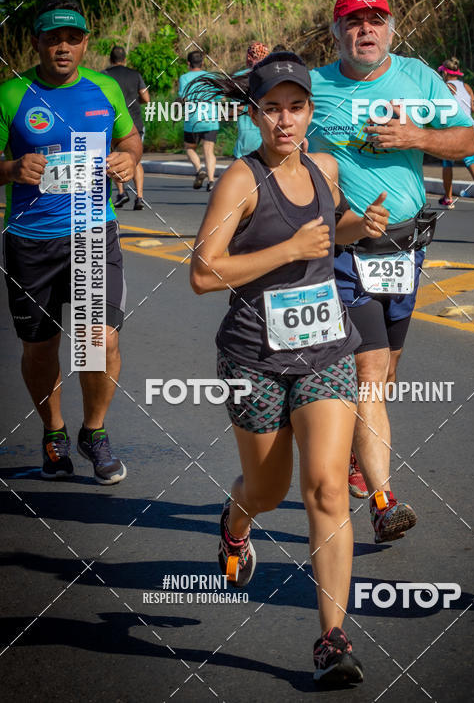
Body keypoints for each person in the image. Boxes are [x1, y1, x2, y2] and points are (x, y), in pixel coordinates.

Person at [190, 51, 390, 685]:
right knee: (269, 490)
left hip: (326, 349)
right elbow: (202, 272)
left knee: (329, 488)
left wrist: (361, 225)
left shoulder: (325, 169)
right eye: (271, 109)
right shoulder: (240, 181)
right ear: (255, 115)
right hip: (253, 355)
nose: (284, 120)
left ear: (309, 112)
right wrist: (289, 247)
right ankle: (235, 522)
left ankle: (333, 639)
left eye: (296, 107)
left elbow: (330, 235)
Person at [308, 0, 474, 539]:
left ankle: (361, 457)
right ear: (335, 33)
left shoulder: (419, 78)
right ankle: (385, 501)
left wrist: (416, 136)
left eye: (376, 21)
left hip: (406, 249)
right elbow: (281, 151)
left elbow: (468, 138)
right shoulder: (313, 86)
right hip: (346, 252)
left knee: (386, 372)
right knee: (369, 373)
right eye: (353, 23)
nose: (366, 31)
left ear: (391, 29)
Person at [0, 0, 142, 483]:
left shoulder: (104, 87)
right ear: (36, 42)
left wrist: (129, 158)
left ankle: (95, 433)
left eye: (72, 38)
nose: (63, 47)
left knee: (97, 340)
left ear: (86, 42)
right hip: (30, 241)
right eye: (52, 38)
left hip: (91, 232)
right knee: (41, 348)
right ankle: (54, 433)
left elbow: (130, 139)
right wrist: (12, 168)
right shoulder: (11, 94)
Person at [436, 57, 474, 210]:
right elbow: (473, 108)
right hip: (470, 128)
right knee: (470, 160)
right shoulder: (466, 87)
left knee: (447, 162)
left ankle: (448, 198)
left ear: (445, 73)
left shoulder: (446, 87)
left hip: (454, 129)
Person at [103, 45, 149, 210]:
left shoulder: (104, 76)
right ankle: (140, 197)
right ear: (124, 59)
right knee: (135, 159)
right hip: (134, 121)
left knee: (114, 159)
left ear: (110, 59)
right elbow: (146, 97)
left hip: (112, 123)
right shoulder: (135, 74)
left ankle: (121, 193)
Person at [179, 50, 221, 191]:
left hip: (193, 119)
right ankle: (211, 181)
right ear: (203, 63)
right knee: (209, 151)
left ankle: (199, 169)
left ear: (188, 64)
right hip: (210, 118)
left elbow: (183, 98)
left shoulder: (184, 78)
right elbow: (219, 98)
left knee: (189, 148)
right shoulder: (211, 76)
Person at [232, 42, 269, 159]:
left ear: (248, 57)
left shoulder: (239, 78)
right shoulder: (272, 77)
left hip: (246, 140)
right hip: (267, 139)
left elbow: (236, 109)